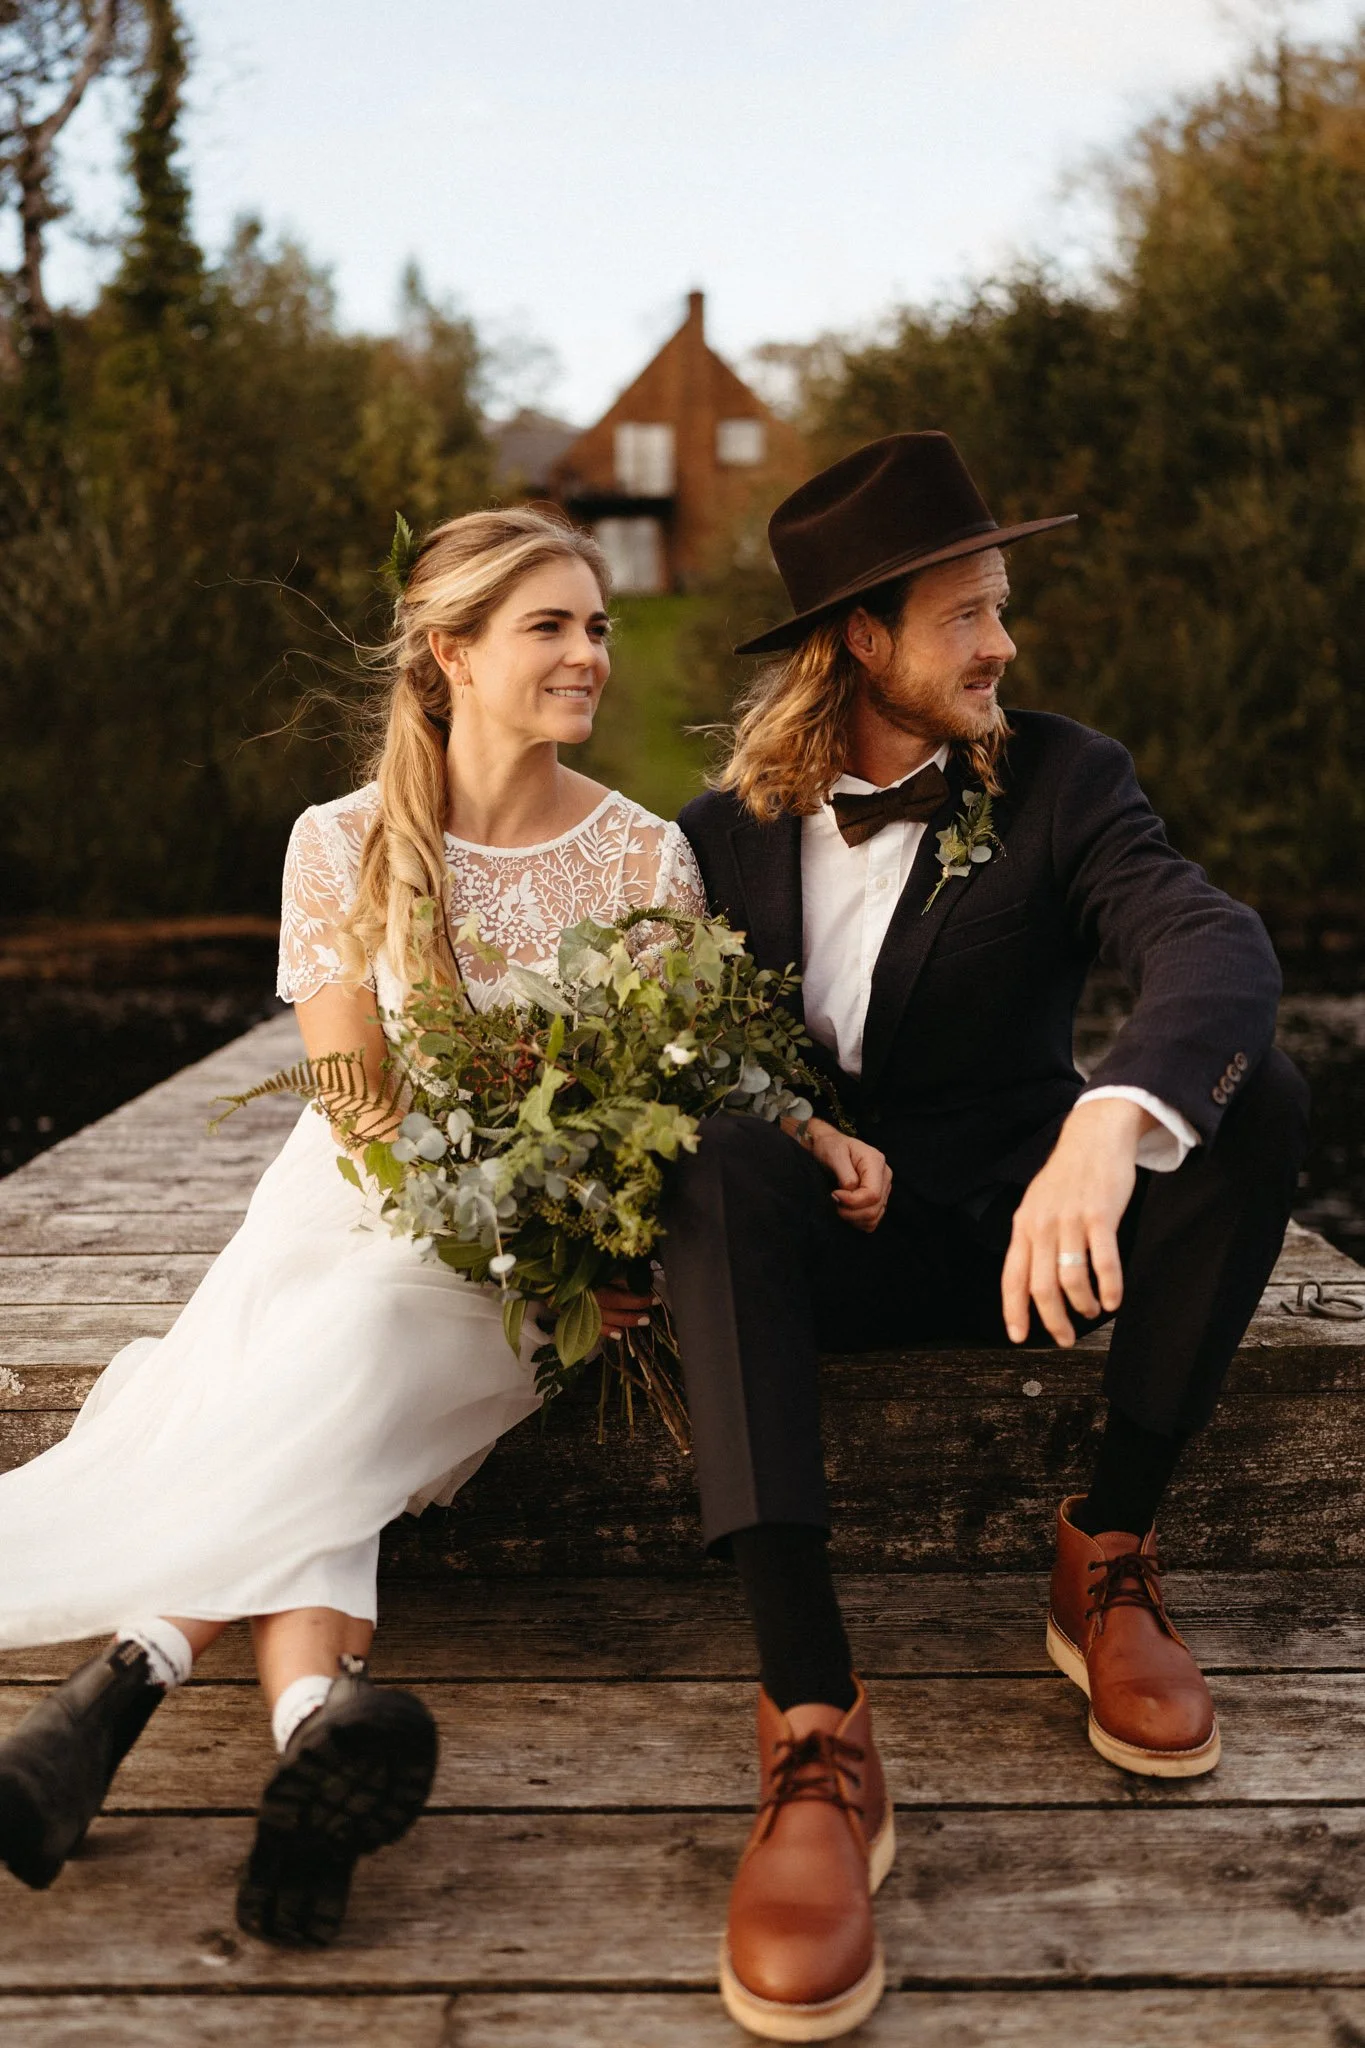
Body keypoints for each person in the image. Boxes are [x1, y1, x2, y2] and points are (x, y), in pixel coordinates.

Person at [663, 433, 1310, 2041]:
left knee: (1264, 1099)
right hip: (835, 1251)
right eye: (967, 614)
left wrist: (1113, 1118)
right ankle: (815, 1722)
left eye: (1001, 607)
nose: (1002, 644)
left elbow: (1208, 944)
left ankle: (1108, 1552)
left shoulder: (1069, 778)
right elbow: (659, 1068)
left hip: (1040, 1243)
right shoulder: (715, 837)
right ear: (863, 640)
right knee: (716, 1163)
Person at [0, 506, 705, 1947]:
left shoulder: (647, 865)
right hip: (353, 1211)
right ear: (450, 653)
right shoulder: (339, 843)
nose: (591, 655)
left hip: (530, 1275)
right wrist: (494, 1238)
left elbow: (668, 1101)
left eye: (600, 628)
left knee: (355, 1342)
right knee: (345, 1324)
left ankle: (131, 1674)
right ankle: (317, 1722)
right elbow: (359, 1108)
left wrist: (579, 1258)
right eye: (552, 626)